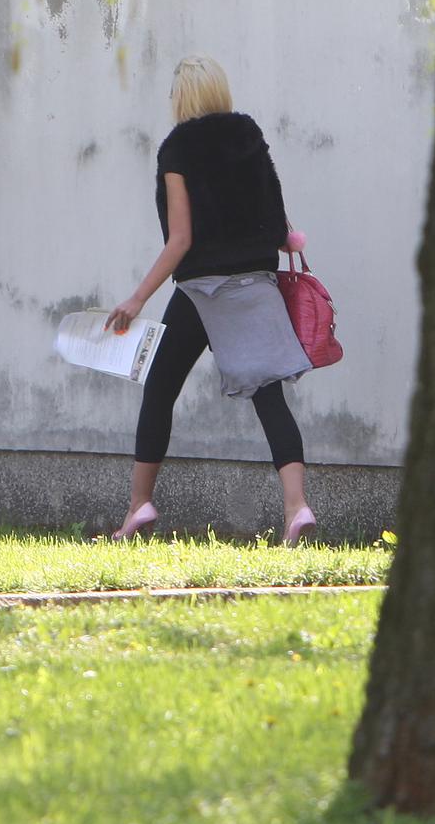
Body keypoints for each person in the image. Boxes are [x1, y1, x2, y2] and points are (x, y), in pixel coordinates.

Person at [104, 55, 317, 545]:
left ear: (182, 97)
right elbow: (279, 221)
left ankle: (139, 506)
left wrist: (137, 298)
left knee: (161, 386)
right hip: (256, 285)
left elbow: (181, 239)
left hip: (204, 290)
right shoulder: (248, 134)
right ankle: (297, 506)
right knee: (269, 394)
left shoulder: (178, 148)